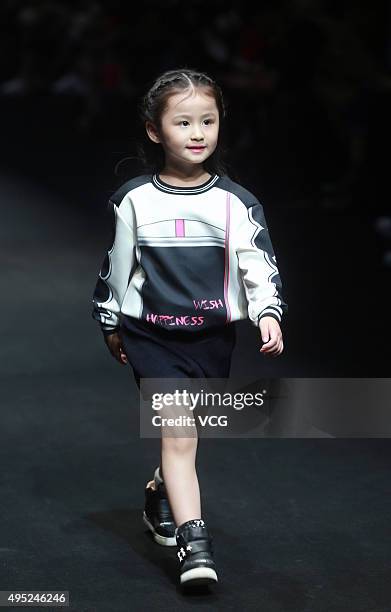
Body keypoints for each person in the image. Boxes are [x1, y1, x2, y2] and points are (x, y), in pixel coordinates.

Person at [91, 67, 288, 588]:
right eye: (183, 122)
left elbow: (258, 263)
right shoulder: (133, 199)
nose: (198, 133)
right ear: (156, 131)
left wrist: (268, 312)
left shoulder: (236, 203)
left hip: (212, 336)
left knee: (189, 436)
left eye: (208, 120)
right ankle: (194, 546)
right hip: (151, 335)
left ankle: (161, 488)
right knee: (179, 435)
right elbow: (118, 264)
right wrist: (111, 322)